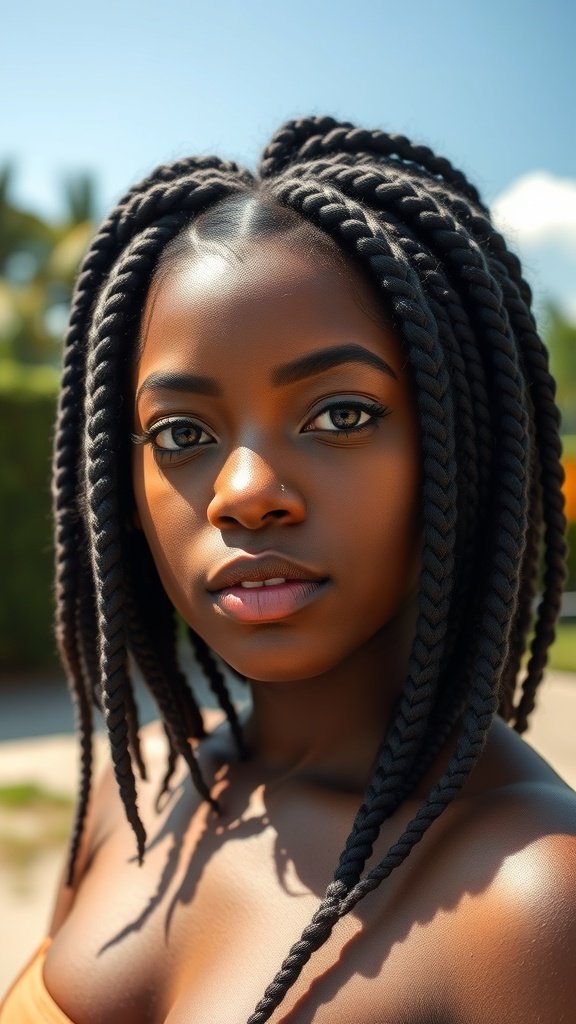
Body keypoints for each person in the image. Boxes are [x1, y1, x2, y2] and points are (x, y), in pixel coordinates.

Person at [1, 115, 575, 1023]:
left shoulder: (533, 901)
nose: (245, 493)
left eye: (340, 414)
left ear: (461, 443)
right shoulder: (137, 788)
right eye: (183, 435)